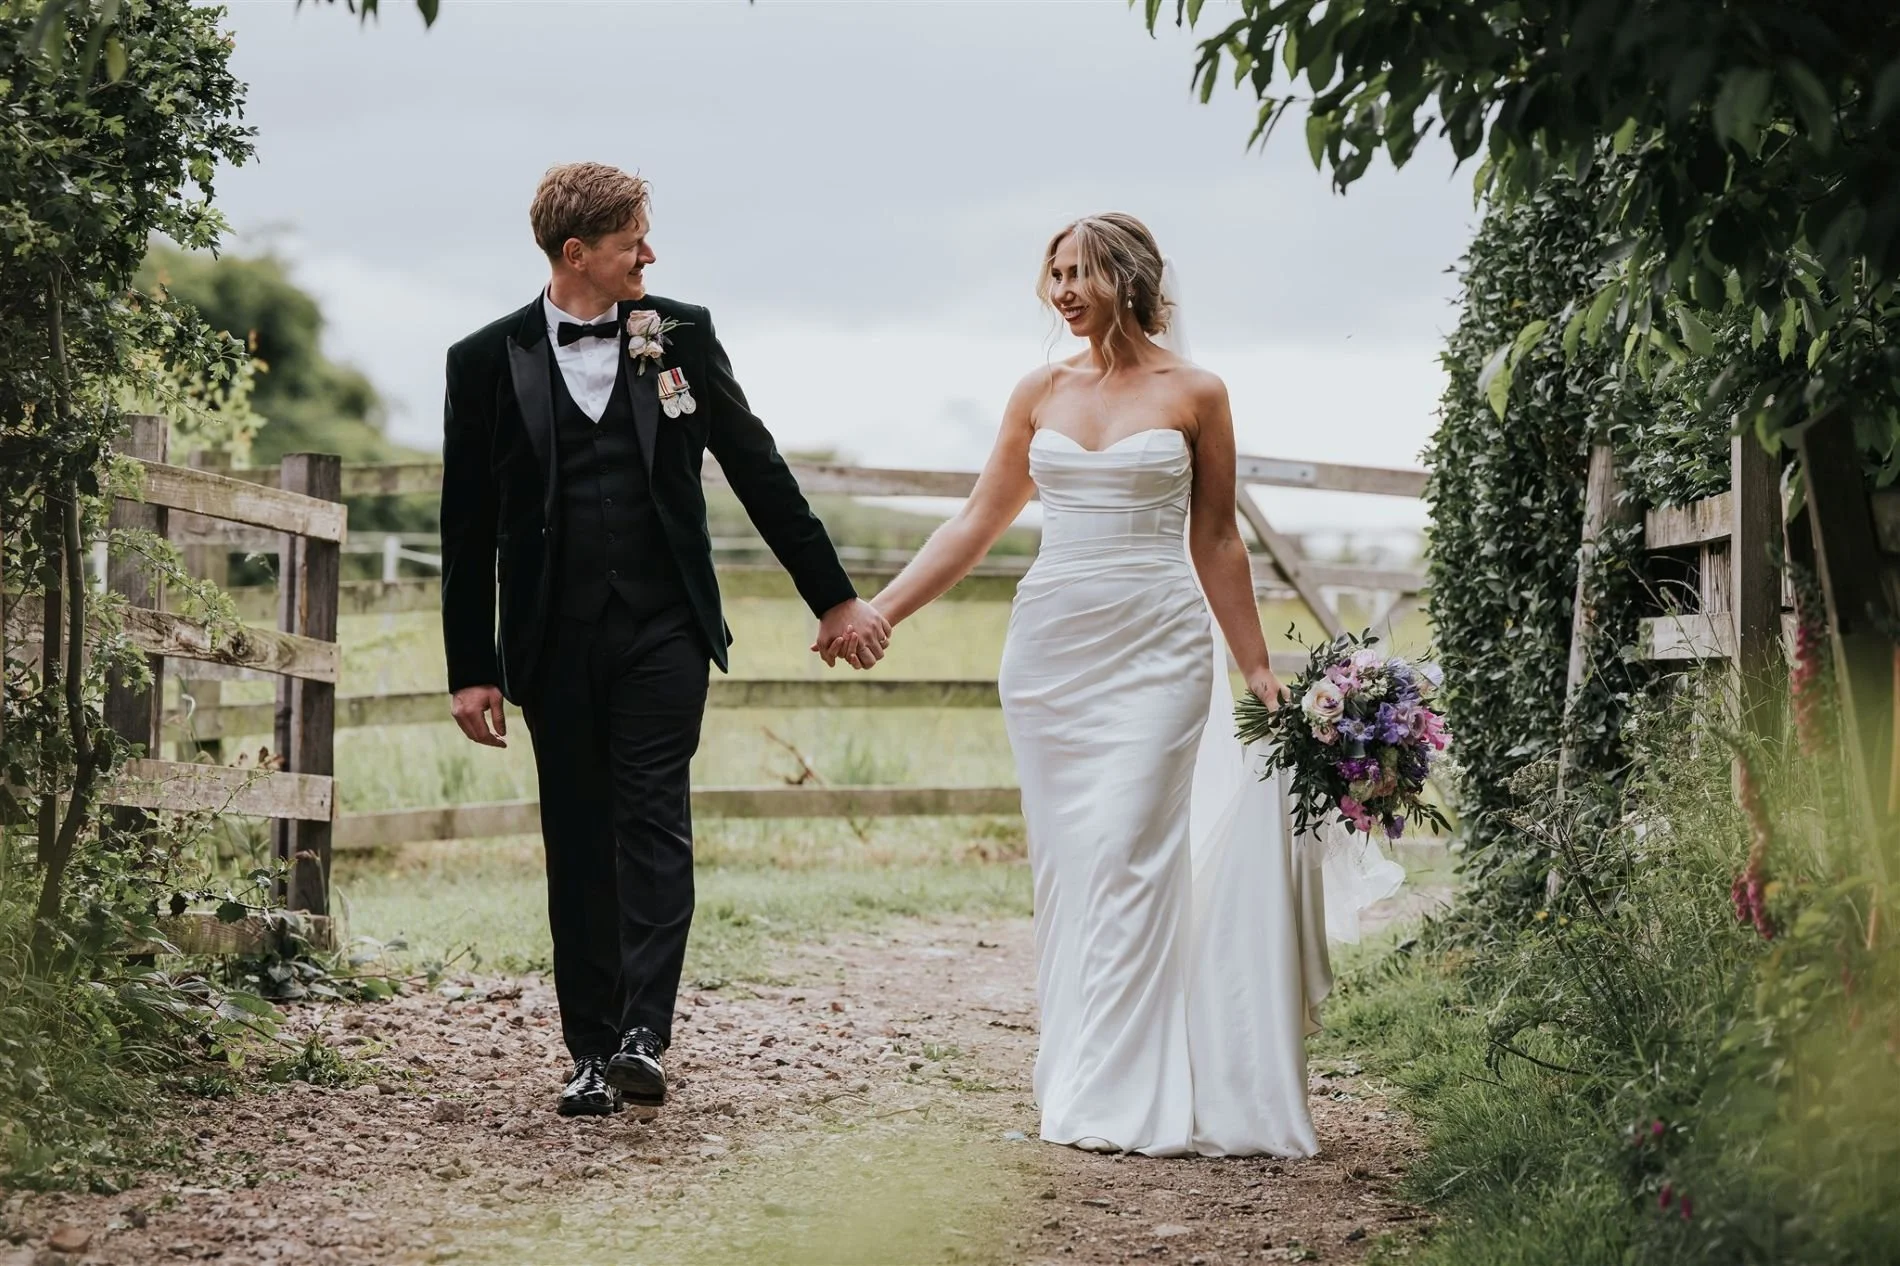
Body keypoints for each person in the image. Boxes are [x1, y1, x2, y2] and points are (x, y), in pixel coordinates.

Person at [844, 213, 1372, 1156]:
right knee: (1073, 868)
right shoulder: (1038, 392)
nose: (1063, 292)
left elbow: (1217, 538)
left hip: (1161, 647)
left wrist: (1255, 665)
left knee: (1131, 847)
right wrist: (883, 609)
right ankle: (1083, 1072)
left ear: (1128, 277)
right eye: (1053, 275)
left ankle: (1122, 1094)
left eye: (1079, 273)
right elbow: (975, 521)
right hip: (1051, 657)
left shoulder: (1198, 392)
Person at [438, 162, 890, 1117]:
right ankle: (590, 1049)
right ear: (577, 254)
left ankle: (645, 1033)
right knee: (576, 833)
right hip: (551, 639)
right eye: (632, 239)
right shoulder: (482, 360)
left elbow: (757, 466)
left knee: (651, 818)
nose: (650, 253)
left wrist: (834, 598)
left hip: (665, 626)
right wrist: (471, 668)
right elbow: (466, 523)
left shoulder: (680, 334)